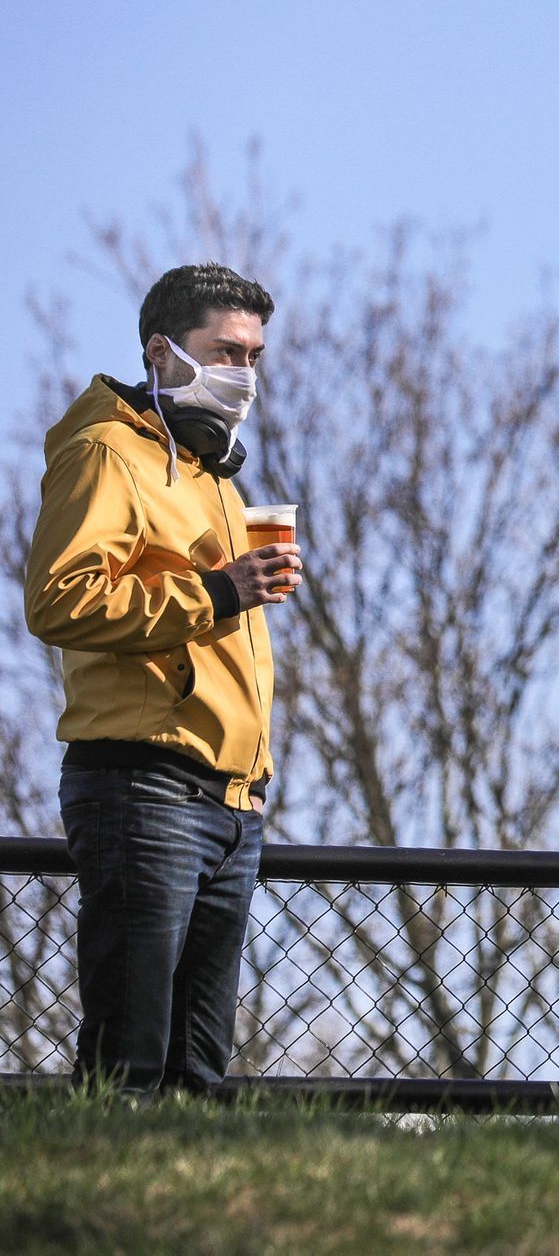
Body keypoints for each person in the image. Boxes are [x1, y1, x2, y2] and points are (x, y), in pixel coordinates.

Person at [24, 263, 298, 1095]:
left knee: (197, 1075)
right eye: (227, 351)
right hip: (145, 786)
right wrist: (219, 591)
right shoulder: (110, 451)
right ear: (163, 351)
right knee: (131, 1060)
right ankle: (96, 1212)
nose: (244, 374)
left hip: (232, 803)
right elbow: (59, 599)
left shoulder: (214, 476)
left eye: (254, 357)